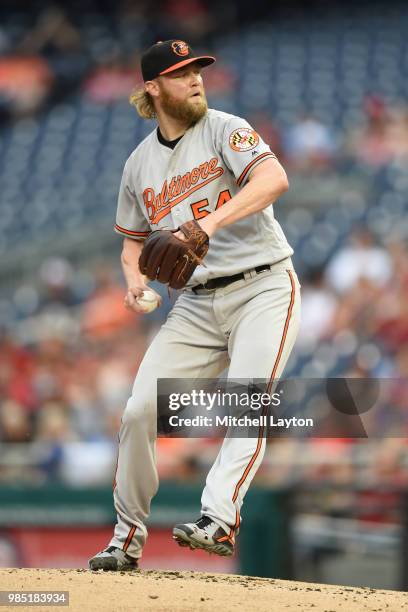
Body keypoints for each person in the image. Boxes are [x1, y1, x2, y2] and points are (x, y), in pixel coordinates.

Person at [89, 39, 301, 571]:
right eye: (181, 73)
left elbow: (274, 178)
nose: (196, 79)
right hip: (195, 304)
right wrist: (135, 283)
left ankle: (219, 518)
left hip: (263, 287)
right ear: (153, 88)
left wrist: (207, 222)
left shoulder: (225, 127)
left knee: (246, 401)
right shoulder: (138, 165)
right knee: (139, 410)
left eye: (198, 69)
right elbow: (132, 241)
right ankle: (126, 535)